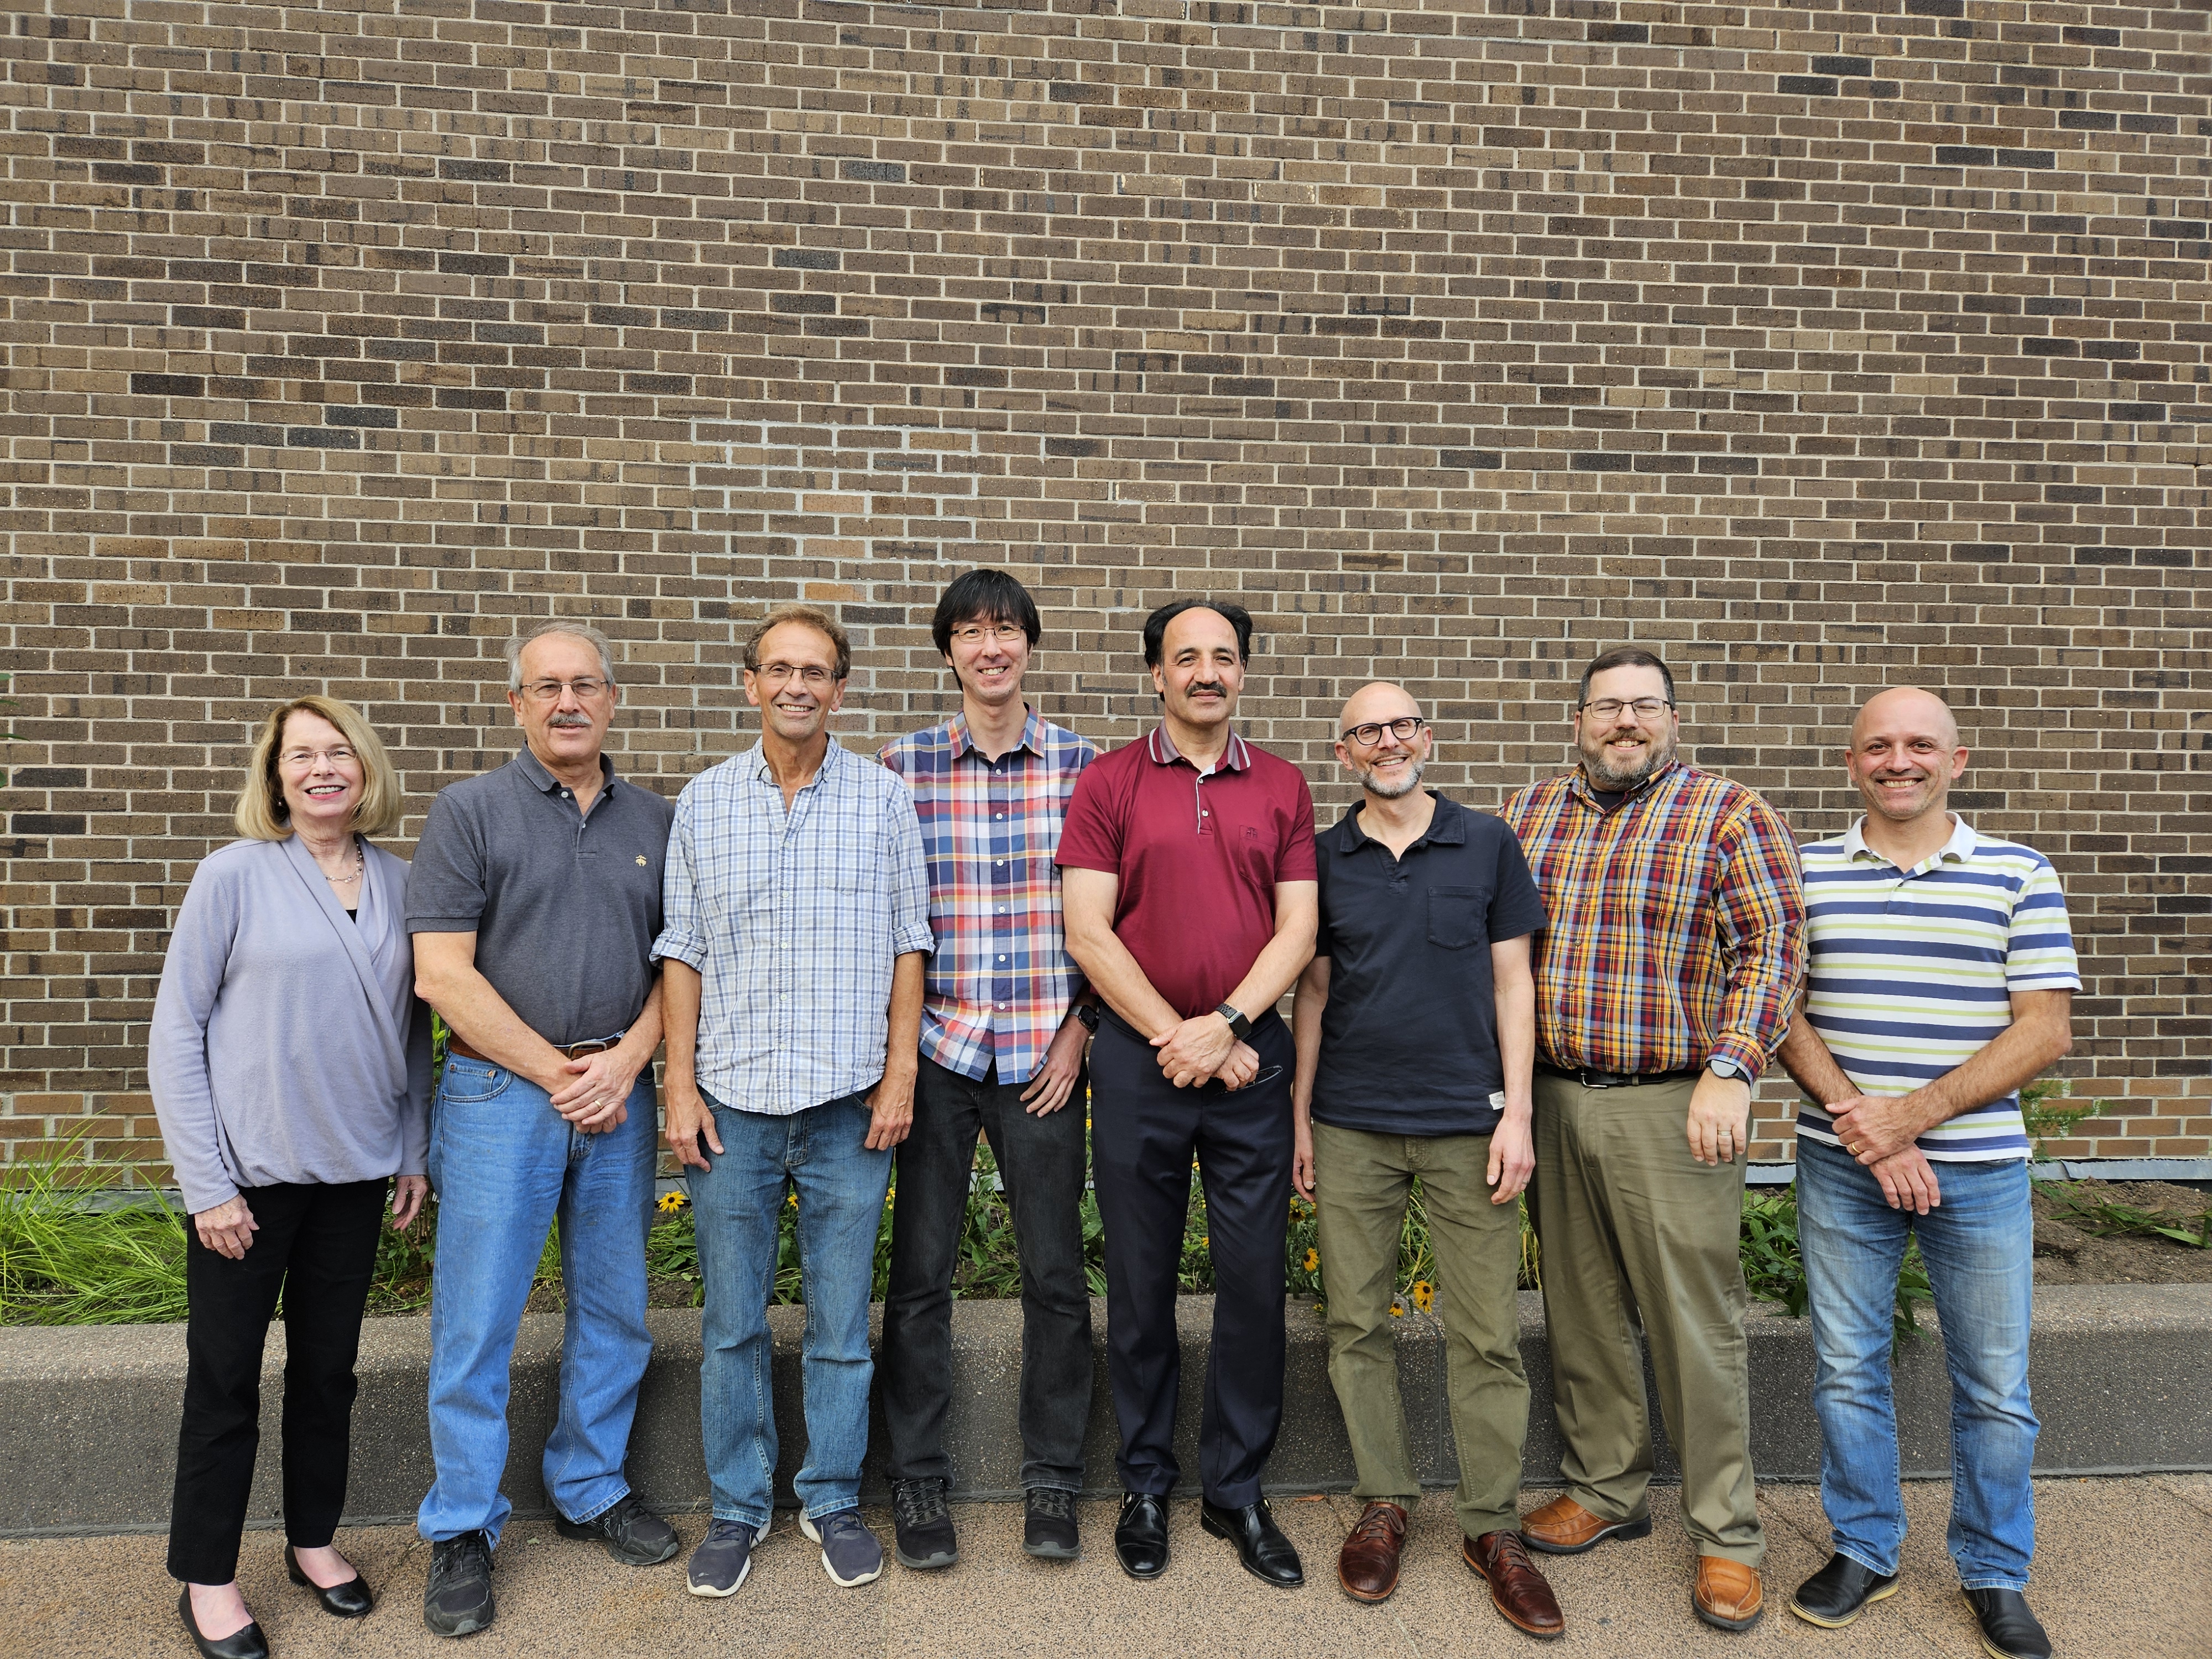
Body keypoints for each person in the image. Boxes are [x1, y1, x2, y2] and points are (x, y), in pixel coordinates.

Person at [1499, 645, 1804, 1634]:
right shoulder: (1530, 811)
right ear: (1577, 720)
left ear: (1672, 718)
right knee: (1580, 1309)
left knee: (1692, 1322)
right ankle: (1604, 1488)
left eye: (1644, 706)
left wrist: (1733, 1066)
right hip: (1553, 1092)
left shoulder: (1729, 812)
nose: (1624, 722)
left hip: (1674, 1103)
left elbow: (1776, 945)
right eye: (1606, 707)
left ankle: (1727, 1536)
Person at [1776, 688, 2075, 1659]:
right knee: (1846, 1371)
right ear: (1850, 761)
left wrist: (1914, 1117)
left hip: (1982, 1171)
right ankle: (1866, 1547)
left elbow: (2044, 1028)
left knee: (1993, 1384)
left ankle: (1995, 1571)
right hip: (1842, 1167)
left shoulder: (2019, 874)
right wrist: (1875, 1135)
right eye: (1877, 746)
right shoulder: (1805, 871)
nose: (1897, 761)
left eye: (1919, 745)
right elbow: (1780, 1009)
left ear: (1958, 760)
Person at [406, 620, 679, 1639]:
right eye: (545, 687)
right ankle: (463, 1527)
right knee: (476, 1320)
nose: (568, 702)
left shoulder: (660, 815)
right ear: (516, 704)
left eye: (585, 685)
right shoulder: (469, 813)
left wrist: (625, 1063)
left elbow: (681, 970)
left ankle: (590, 1485)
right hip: (499, 1097)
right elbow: (441, 974)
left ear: (613, 699)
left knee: (616, 1308)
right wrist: (558, 1072)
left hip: (618, 1087)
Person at [658, 604, 933, 1599]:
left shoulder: (882, 801)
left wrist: (901, 1072)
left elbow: (912, 942)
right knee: (731, 1322)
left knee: (838, 1324)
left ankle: (830, 1499)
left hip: (847, 1108)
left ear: (841, 688)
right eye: (779, 669)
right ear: (750, 683)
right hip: (731, 1107)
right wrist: (678, 1084)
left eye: (816, 671)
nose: (796, 687)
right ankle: (737, 1509)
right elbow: (680, 953)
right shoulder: (703, 802)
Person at [149, 695, 431, 1659]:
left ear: (365, 769)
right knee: (224, 1381)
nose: (322, 769)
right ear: (275, 776)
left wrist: (413, 1148)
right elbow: (175, 1032)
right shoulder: (233, 876)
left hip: (353, 1175)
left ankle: (314, 1540)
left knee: (327, 1377)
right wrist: (206, 1184)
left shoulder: (401, 880)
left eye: (338, 752)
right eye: (300, 755)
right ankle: (209, 1576)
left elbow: (412, 1032)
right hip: (249, 1182)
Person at [1290, 682, 1563, 1636]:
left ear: (1427, 739)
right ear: (1344, 753)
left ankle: (1492, 1527)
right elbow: (1313, 996)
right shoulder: (1322, 858)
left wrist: (1517, 1114)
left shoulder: (1487, 843)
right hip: (1353, 1124)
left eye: (1402, 725)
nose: (1387, 741)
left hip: (1469, 1124)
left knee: (1486, 1330)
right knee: (1356, 1323)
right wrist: (1300, 1119)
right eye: (1367, 730)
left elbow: (1512, 986)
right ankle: (1386, 1501)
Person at [1057, 598, 1318, 1589]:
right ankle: (1145, 1484)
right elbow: (1089, 930)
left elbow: (1296, 932)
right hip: (1140, 1064)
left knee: (1254, 1286)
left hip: (1248, 1062)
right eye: (1186, 658)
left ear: (1242, 674)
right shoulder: (1109, 782)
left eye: (1223, 657)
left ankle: (1236, 1492)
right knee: (1139, 1286)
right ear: (1155, 676)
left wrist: (1232, 1028)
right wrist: (1181, 1036)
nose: (1206, 673)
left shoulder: (1284, 786)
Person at [878, 570, 1099, 1568]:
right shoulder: (901, 768)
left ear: (1029, 645)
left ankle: (1053, 1481)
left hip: (1048, 1057)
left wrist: (1080, 1032)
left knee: (1056, 1276)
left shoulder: (1089, 770)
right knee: (919, 1277)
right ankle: (918, 1482)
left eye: (1005, 630)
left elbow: (1116, 922)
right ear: (949, 651)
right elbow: (886, 926)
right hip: (938, 1055)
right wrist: (896, 1056)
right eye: (970, 632)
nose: (989, 647)